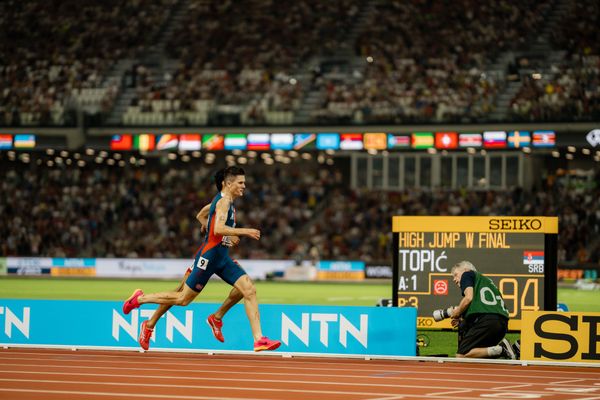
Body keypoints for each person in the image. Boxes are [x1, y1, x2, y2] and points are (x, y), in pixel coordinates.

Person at [122, 166, 281, 352]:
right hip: (208, 257)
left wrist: (215, 232)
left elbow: (201, 216)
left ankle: (253, 336)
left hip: (221, 258)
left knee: (247, 290)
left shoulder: (223, 201)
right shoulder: (223, 203)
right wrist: (244, 231)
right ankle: (140, 301)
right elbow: (218, 229)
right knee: (182, 297)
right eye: (240, 183)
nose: (244, 186)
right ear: (228, 184)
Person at [448, 260, 516, 359]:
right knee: (481, 356)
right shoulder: (486, 282)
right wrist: (463, 320)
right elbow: (481, 305)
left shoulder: (467, 274)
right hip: (502, 324)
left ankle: (501, 349)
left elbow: (468, 298)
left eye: (455, 275)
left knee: (461, 355)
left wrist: (457, 312)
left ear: (466, 270)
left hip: (486, 321)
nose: (454, 279)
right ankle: (514, 348)